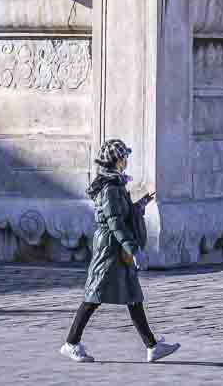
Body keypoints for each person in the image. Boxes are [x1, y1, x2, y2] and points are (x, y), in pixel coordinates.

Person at [60, 138, 179, 365]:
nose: (126, 161)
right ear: (115, 160)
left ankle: (152, 346)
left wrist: (138, 207)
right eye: (124, 157)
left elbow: (121, 215)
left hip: (118, 248)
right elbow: (115, 222)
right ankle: (71, 343)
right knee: (94, 296)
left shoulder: (116, 185)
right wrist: (134, 250)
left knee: (133, 296)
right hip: (109, 249)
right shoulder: (110, 188)